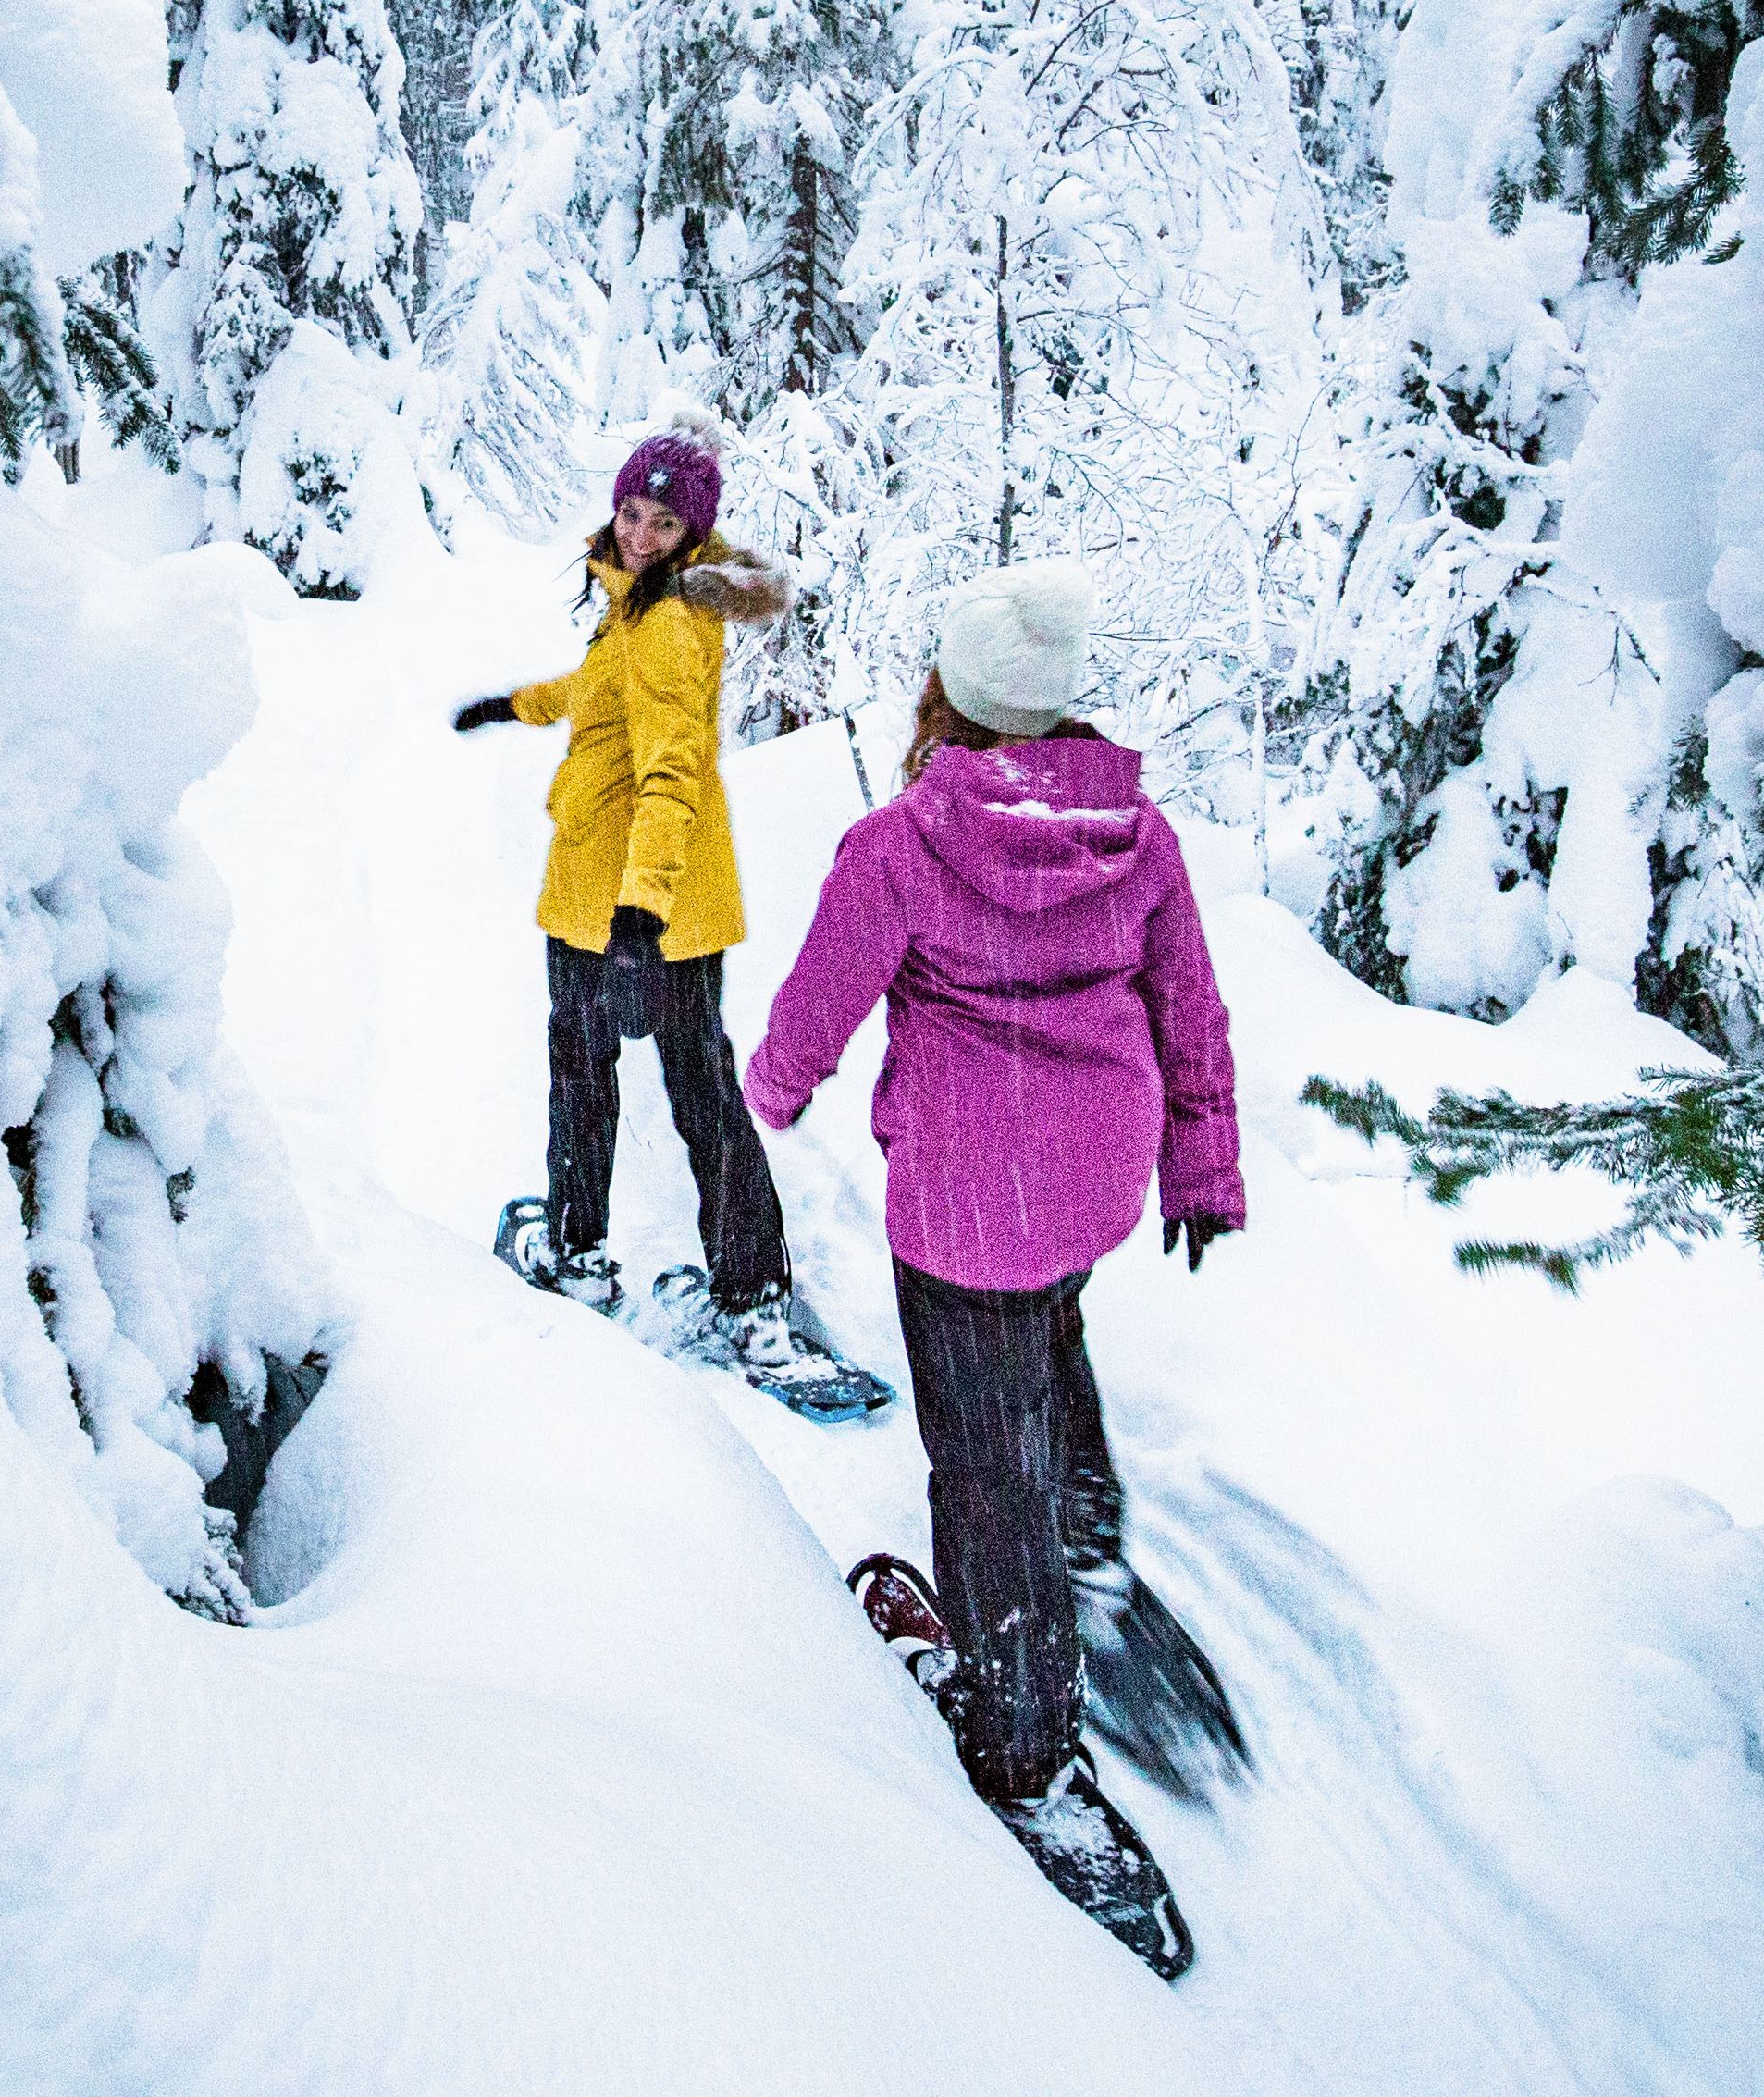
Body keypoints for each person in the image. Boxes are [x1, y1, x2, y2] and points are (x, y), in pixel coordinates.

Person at [743, 556, 1242, 1977]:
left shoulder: (901, 843)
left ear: (949, 696)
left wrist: (767, 1094)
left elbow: (816, 1005)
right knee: (1054, 1325)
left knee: (979, 1459)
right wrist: (1201, 1164)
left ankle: (1024, 1736)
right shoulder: (1136, 836)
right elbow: (1192, 1010)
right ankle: (1086, 1532)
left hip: (968, 1196)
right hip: (1092, 1173)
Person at [456, 420, 864, 1400]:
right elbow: (600, 695)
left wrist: (638, 911)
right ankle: (698, 1273)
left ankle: (683, 1277)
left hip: (635, 905)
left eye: (663, 521)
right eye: (632, 510)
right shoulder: (637, 608)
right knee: (645, 1082)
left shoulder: (672, 623)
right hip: (616, 894)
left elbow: (673, 770)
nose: (638, 532)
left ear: (694, 532)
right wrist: (518, 705)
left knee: (651, 1087)